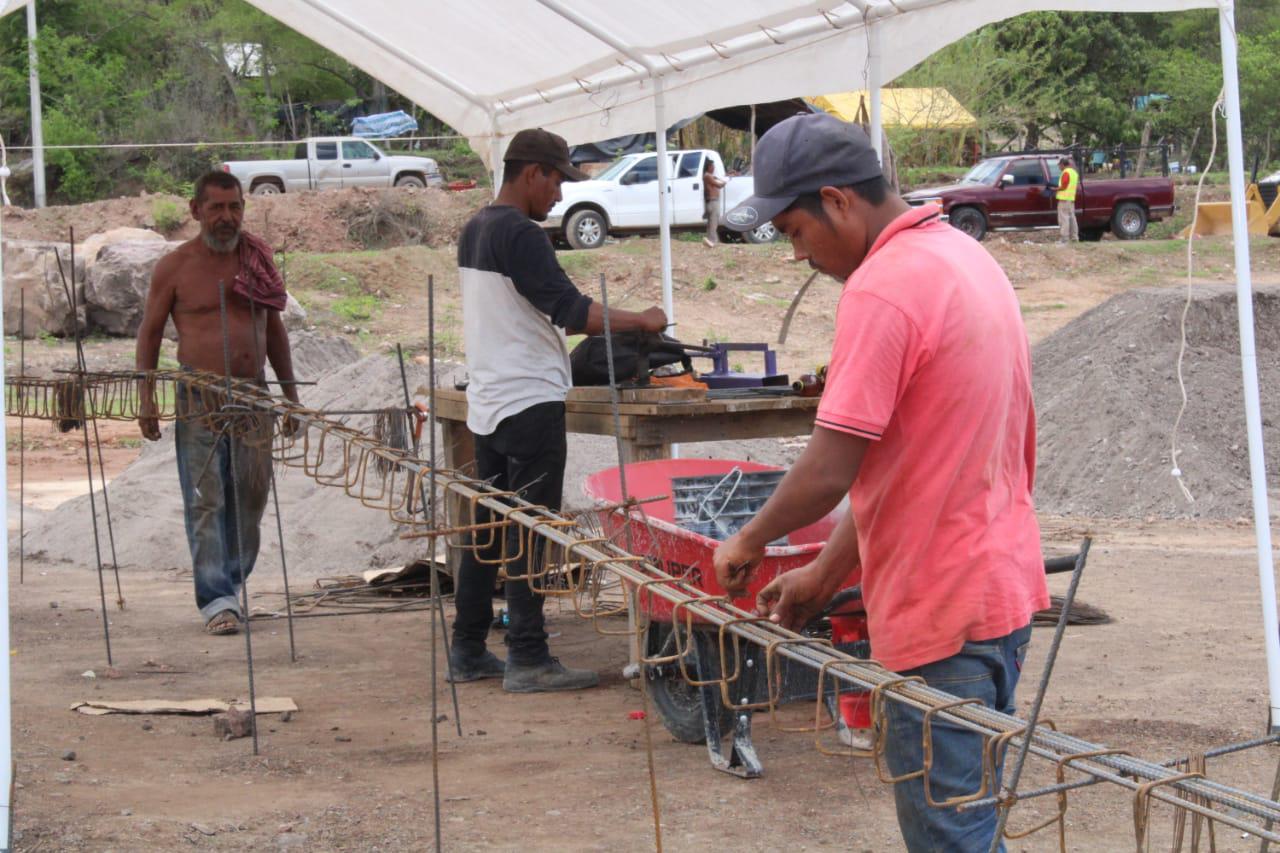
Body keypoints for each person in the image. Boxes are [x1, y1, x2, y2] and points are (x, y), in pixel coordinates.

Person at [713, 113, 1048, 852]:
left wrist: (749, 537)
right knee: (971, 823)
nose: (799, 253)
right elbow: (916, 462)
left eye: (796, 231)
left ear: (837, 200)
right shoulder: (967, 259)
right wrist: (821, 574)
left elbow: (831, 469)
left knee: (950, 839)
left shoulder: (882, 289)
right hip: (997, 597)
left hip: (940, 614)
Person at [451, 128, 668, 693]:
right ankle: (527, 655)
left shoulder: (476, 226)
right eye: (556, 182)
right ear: (532, 174)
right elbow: (572, 311)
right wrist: (642, 321)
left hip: (489, 400)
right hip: (529, 399)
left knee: (488, 527)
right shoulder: (521, 233)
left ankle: (468, 647)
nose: (559, 196)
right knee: (532, 529)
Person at [136, 171, 299, 636]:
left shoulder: (256, 260)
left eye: (235, 208)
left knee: (250, 496)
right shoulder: (175, 266)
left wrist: (291, 398)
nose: (227, 218)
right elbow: (149, 333)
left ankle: (229, 582)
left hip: (253, 396)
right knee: (206, 500)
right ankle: (216, 600)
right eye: (217, 209)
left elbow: (274, 331)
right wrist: (147, 397)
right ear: (195, 211)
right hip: (198, 398)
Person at [702, 158, 727, 247]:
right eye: (712, 166)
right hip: (713, 201)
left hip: (711, 202)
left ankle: (710, 240)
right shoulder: (707, 176)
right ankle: (712, 241)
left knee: (711, 222)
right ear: (708, 167)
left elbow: (715, 178)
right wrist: (724, 182)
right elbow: (718, 185)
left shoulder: (708, 176)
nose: (713, 168)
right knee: (713, 222)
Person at [1056, 156, 1080, 243]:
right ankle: (1074, 237)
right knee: (1072, 218)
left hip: (1064, 199)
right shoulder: (1074, 172)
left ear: (1062, 164)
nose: (1059, 167)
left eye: (1059, 165)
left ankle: (1064, 238)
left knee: (1064, 219)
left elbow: (1064, 186)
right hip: (1071, 198)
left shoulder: (1066, 172)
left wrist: (1054, 189)